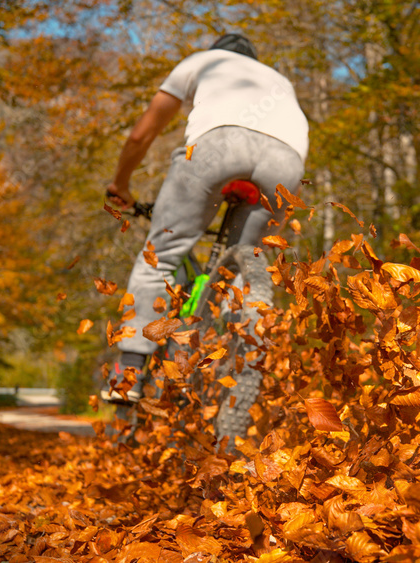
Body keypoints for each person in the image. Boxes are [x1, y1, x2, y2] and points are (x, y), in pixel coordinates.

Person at [103, 33, 308, 402]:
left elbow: (140, 135)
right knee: (238, 277)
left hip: (221, 147)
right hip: (286, 163)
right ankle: (223, 376)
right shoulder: (281, 81)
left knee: (160, 256)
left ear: (218, 52)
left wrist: (120, 184)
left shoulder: (203, 61)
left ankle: (128, 371)